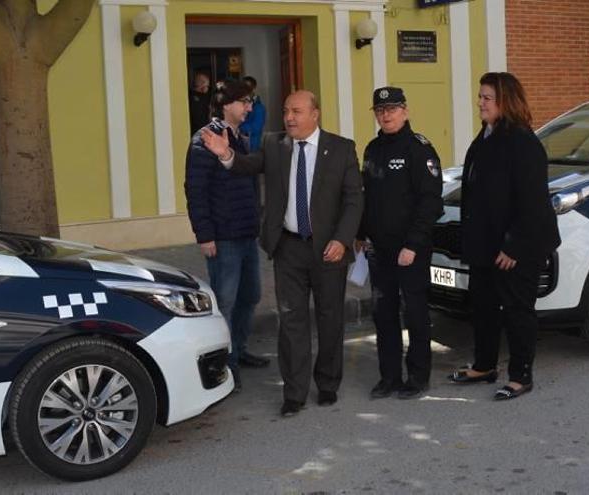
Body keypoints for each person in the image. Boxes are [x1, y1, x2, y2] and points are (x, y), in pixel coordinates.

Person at [201, 90, 363, 417]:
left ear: (315, 114)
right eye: (286, 110)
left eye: (297, 111)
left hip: (328, 249)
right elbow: (246, 165)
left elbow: (354, 200)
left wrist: (343, 240)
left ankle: (328, 384)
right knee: (291, 321)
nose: (289, 117)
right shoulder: (275, 145)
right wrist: (226, 155)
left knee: (330, 319)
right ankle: (294, 392)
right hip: (288, 247)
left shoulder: (341, 148)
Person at [448, 72, 561, 400]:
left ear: (505, 101)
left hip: (517, 246)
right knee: (482, 308)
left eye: (486, 97)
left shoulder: (522, 141)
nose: (479, 102)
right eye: (480, 96)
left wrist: (514, 245)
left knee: (517, 310)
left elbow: (533, 202)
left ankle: (521, 375)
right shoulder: (485, 136)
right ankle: (484, 365)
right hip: (485, 245)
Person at [357, 87, 443, 400]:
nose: (386, 115)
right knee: (383, 314)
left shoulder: (419, 149)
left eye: (392, 109)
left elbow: (431, 202)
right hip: (379, 250)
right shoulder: (372, 149)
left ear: (405, 111)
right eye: (380, 110)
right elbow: (367, 199)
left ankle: (418, 377)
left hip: (410, 250)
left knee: (416, 313)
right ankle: (389, 377)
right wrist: (360, 234)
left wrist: (413, 244)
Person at [185, 79, 269, 392]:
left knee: (251, 296)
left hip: (246, 234)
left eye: (249, 103)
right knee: (225, 302)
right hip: (222, 238)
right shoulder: (205, 139)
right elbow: (195, 190)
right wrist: (204, 235)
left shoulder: (238, 137)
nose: (249, 108)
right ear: (225, 105)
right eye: (244, 102)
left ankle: (240, 350)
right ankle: (225, 367)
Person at [239, 76, 267, 152]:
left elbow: (256, 128)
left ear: (254, 88)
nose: (245, 90)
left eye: (248, 87)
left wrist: (237, 126)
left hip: (252, 148)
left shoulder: (259, 108)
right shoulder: (239, 103)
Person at [189, 71, 212, 135]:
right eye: (207, 86)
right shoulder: (201, 99)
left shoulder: (189, 96)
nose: (207, 88)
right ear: (202, 84)